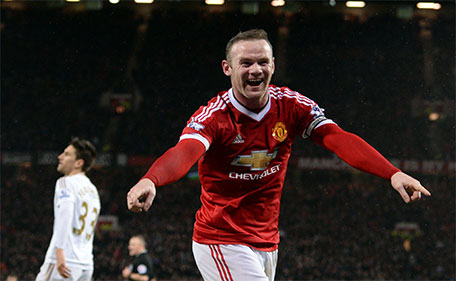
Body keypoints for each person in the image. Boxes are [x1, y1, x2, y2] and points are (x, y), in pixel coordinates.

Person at [126, 29, 431, 281]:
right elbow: (184, 152)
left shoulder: (292, 106)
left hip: (267, 242)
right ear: (227, 68)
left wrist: (393, 173)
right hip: (221, 239)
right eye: (245, 63)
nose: (255, 70)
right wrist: (152, 179)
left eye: (262, 62)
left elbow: (338, 139)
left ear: (273, 65)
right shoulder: (215, 117)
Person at [36, 137, 100, 281]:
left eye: (66, 154)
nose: (60, 157)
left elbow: (65, 215)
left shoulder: (66, 183)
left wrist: (59, 252)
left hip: (65, 261)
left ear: (79, 163)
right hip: (86, 263)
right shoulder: (93, 190)